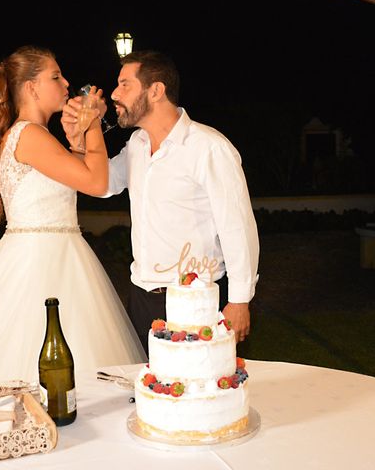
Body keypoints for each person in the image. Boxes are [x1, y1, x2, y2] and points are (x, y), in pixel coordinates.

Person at [0, 45, 145, 441]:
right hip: (39, 265)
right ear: (32, 87)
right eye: (56, 77)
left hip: (57, 255)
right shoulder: (30, 135)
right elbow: (97, 182)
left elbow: (78, 174)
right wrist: (93, 125)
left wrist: (80, 138)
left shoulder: (35, 136)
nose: (66, 83)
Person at [62, 50, 259, 356]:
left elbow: (237, 226)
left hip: (197, 300)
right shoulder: (137, 146)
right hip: (141, 298)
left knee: (197, 392)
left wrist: (239, 300)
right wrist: (79, 140)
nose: (114, 94)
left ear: (155, 90)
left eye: (125, 84)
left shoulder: (208, 147)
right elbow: (103, 185)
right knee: (148, 393)